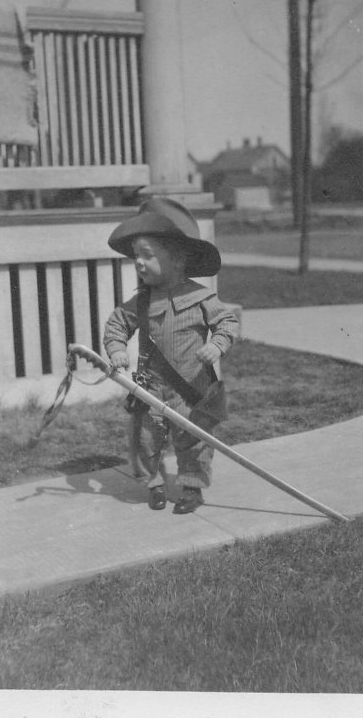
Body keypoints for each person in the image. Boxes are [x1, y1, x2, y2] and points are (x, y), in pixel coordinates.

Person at [103, 197, 239, 514]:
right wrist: (117, 348)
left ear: (177, 259)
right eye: (136, 256)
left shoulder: (201, 297)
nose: (138, 263)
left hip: (191, 388)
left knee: (194, 440)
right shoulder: (140, 302)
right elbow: (116, 325)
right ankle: (155, 484)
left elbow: (228, 322)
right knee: (148, 440)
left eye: (147, 256)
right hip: (150, 388)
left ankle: (191, 488)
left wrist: (217, 344)